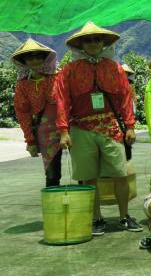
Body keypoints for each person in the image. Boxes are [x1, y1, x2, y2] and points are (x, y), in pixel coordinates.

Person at [53, 22, 141, 235]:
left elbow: (125, 98)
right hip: (81, 128)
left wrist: (130, 126)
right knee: (88, 176)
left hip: (111, 126)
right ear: (81, 44)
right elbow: (62, 100)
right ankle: (97, 218)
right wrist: (63, 131)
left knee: (120, 174)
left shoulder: (114, 68)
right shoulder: (69, 71)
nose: (92, 44)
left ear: (103, 43)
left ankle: (124, 216)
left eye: (96, 40)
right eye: (88, 40)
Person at [11, 39, 62, 187]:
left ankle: (83, 205)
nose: (34, 60)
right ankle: (54, 208)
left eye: (38, 56)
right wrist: (30, 140)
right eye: (29, 57)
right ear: (24, 61)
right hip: (45, 133)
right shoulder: (23, 85)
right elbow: (22, 112)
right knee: (52, 175)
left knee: (81, 171)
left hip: (70, 129)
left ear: (44, 57)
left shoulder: (59, 77)